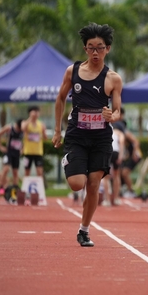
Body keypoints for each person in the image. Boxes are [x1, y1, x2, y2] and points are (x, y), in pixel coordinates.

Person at [53, 23, 123, 247]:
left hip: (101, 137)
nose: (95, 52)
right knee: (77, 184)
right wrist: (57, 130)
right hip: (77, 135)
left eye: (100, 48)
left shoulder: (113, 78)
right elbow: (60, 99)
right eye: (91, 47)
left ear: (107, 49)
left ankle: (84, 230)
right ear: (85, 49)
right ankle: (70, 160)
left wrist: (112, 116)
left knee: (93, 185)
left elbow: (118, 110)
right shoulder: (72, 72)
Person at [0, 119, 24, 189]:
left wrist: (22, 149)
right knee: (6, 169)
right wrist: (0, 146)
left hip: (16, 153)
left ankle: (15, 188)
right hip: (8, 152)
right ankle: (1, 187)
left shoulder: (23, 130)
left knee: (15, 172)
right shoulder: (9, 128)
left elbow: (26, 140)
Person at [22, 106, 48, 178]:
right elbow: (23, 128)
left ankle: (40, 185)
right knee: (27, 172)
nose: (36, 114)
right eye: (34, 112)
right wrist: (30, 118)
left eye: (37, 112)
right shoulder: (25, 123)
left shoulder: (41, 124)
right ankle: (25, 185)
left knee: (39, 172)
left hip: (38, 152)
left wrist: (42, 135)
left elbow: (45, 138)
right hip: (27, 152)